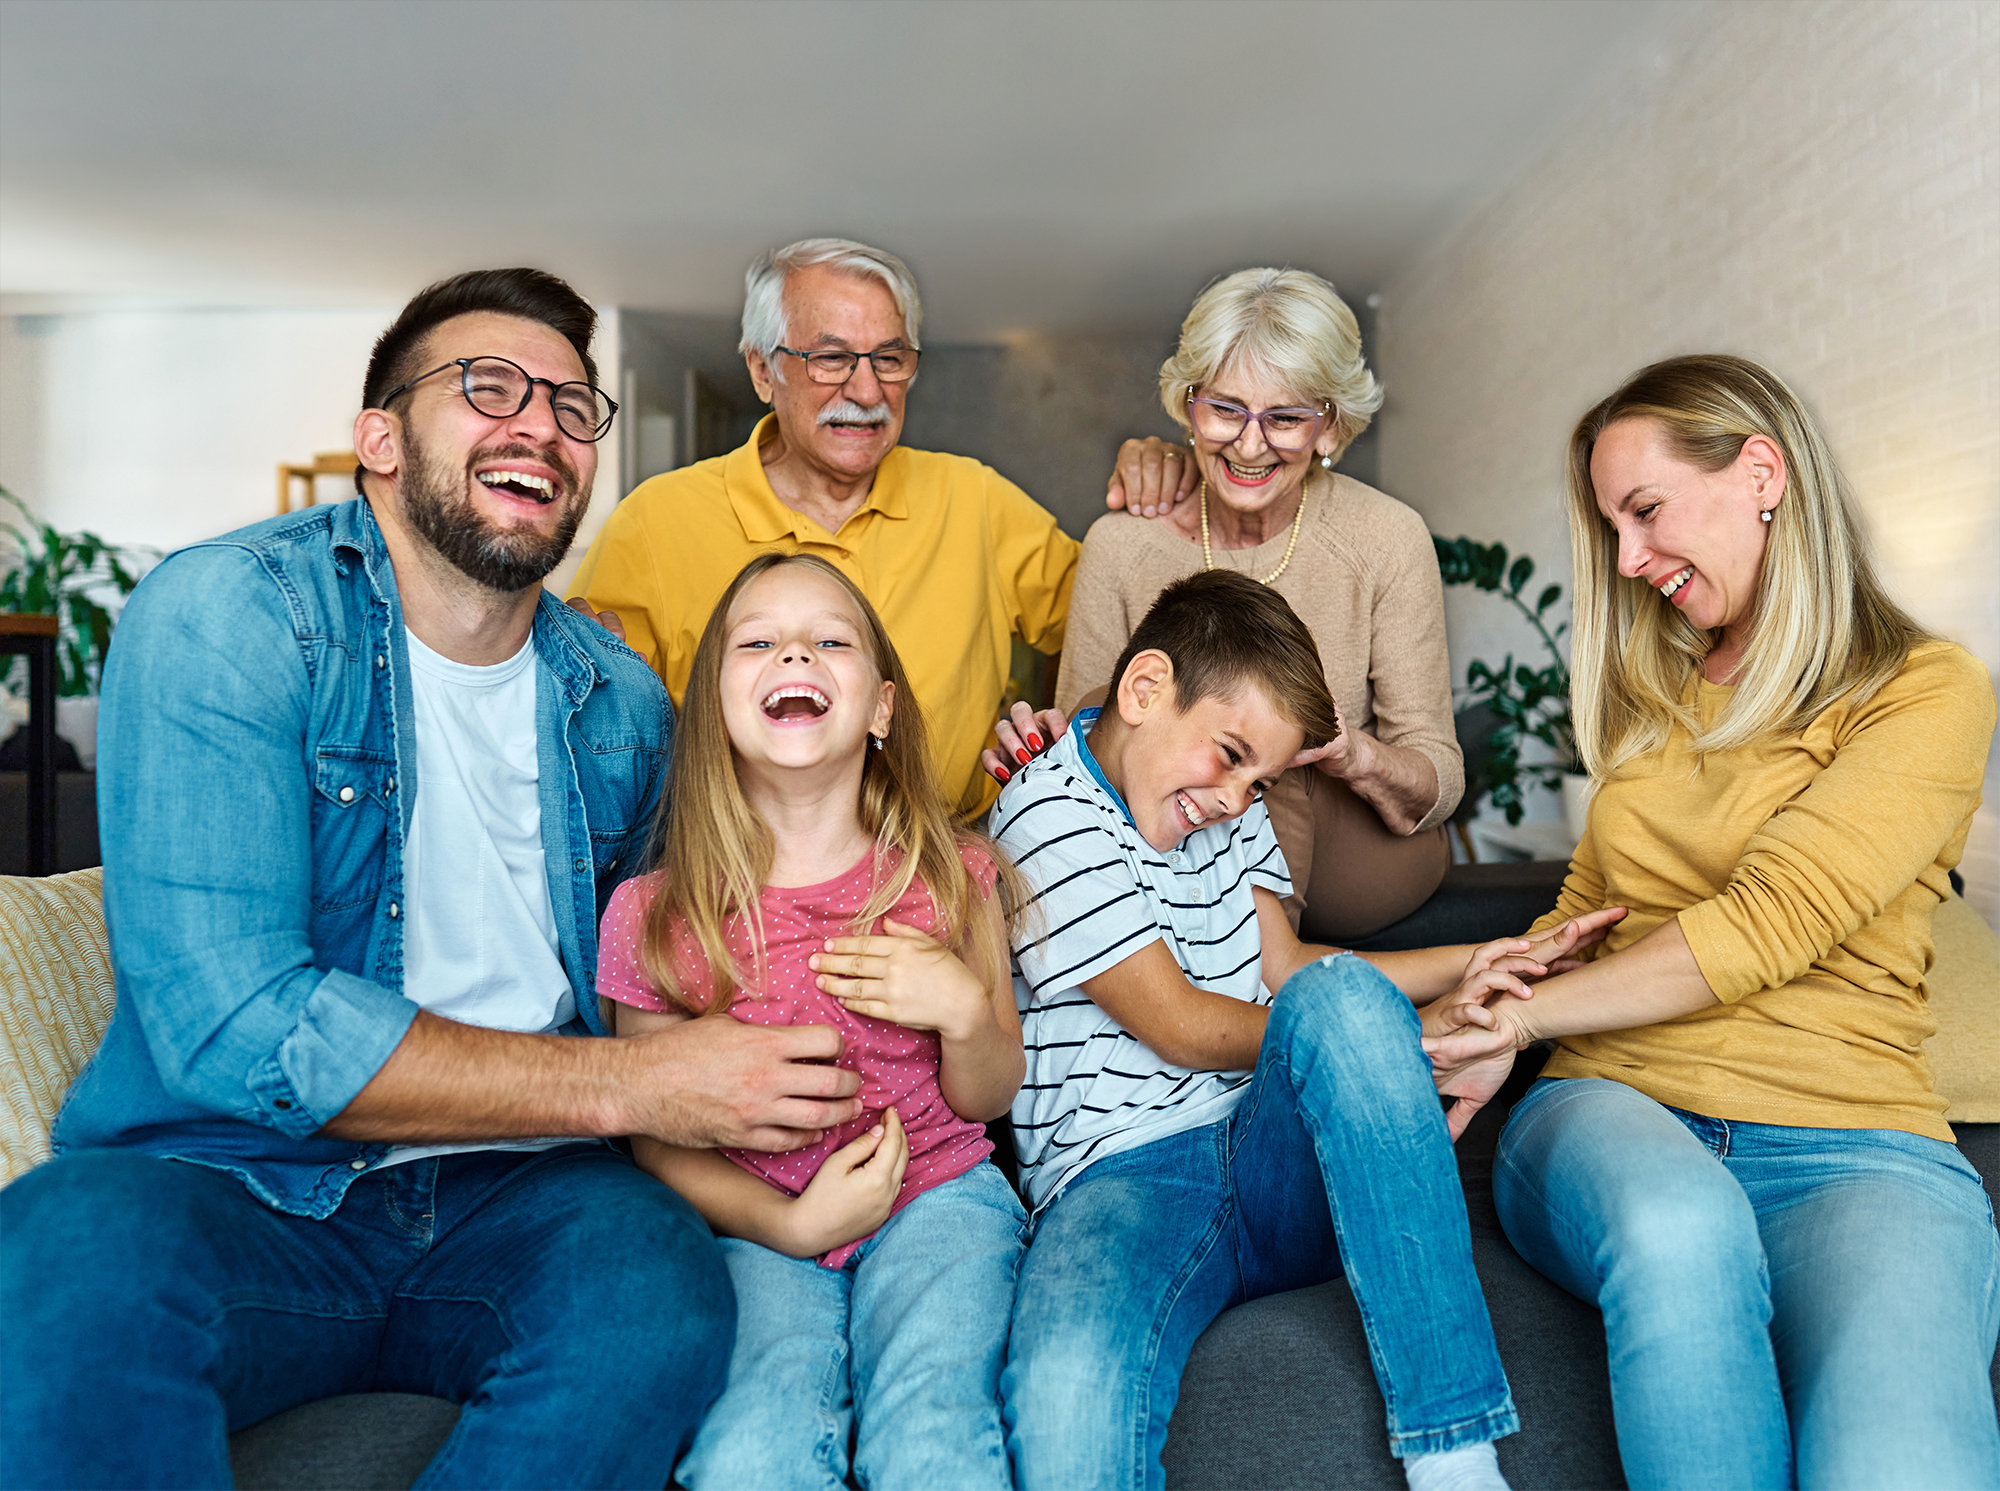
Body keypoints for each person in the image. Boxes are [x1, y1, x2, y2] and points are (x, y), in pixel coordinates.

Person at [0, 269, 866, 1491]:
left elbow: (683, 950)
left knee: (658, 1283)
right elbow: (234, 1025)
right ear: (380, 439)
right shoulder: (229, 615)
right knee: (62, 1248)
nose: (541, 426)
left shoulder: (617, 701)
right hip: (234, 1178)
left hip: (525, 1198)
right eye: (488, 387)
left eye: (574, 407)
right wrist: (639, 1082)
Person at [1422, 354, 2000, 1490]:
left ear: (1760, 473)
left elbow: (1772, 918)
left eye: (1642, 513)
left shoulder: (1924, 691)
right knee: (1678, 1233)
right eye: (1612, 529)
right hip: (1613, 1106)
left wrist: (1520, 1018)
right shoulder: (1651, 695)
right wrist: (1499, 1006)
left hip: (1857, 1142)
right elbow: (1593, 905)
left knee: (1902, 1464)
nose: (1628, 562)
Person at [994, 570, 1621, 1491]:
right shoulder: (1044, 812)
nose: (1240, 798)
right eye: (1231, 754)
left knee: (1337, 996)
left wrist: (1494, 952)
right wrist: (1397, 1036)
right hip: (1118, 1180)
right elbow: (1184, 1024)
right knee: (1062, 1395)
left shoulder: (1224, 808)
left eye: (1264, 779)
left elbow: (1289, 971)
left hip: (1274, 1155)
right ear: (1143, 690)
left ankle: (1457, 1455)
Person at [599, 551, 1026, 1491]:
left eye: (830, 640)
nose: (795, 652)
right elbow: (659, 1145)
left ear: (879, 706)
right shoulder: (653, 914)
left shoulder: (955, 876)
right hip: (757, 1228)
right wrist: (791, 1227)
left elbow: (992, 1092)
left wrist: (962, 1011)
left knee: (932, 1436)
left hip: (938, 1199)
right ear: (713, 705)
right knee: (750, 1456)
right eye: (758, 642)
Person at [987, 268, 1459, 941]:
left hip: (1363, 848)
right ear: (1187, 405)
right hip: (1177, 841)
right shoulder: (1122, 545)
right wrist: (1042, 749)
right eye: (1225, 409)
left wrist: (1345, 752)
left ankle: (1248, 1012)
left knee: (1270, 742)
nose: (1248, 443)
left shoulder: (1386, 536)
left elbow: (1437, 775)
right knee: (1212, 751)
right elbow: (1091, 734)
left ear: (1331, 426)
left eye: (1287, 417)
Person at [566, 236, 1079, 820]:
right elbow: (601, 736)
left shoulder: (978, 499)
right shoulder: (655, 522)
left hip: (954, 874)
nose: (866, 391)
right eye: (831, 358)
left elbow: (1116, 621)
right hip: (736, 885)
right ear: (763, 370)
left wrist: (1171, 492)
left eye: (888, 358)